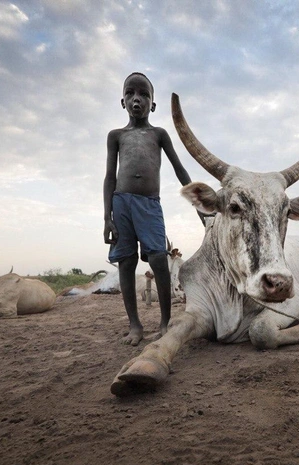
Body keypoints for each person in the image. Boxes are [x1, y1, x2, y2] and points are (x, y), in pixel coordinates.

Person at [103, 72, 195, 346]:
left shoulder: (159, 134)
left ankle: (165, 321)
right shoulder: (116, 136)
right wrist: (106, 216)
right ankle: (135, 325)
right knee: (126, 261)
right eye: (131, 93)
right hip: (121, 203)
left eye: (144, 95)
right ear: (122, 101)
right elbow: (110, 176)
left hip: (149, 204)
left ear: (152, 104)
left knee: (158, 259)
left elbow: (180, 170)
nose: (137, 99)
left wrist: (199, 204)